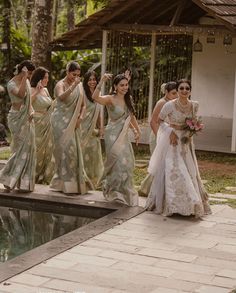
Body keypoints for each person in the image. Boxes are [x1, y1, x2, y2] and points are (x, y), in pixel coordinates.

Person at [146, 79, 211, 217]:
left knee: (189, 171)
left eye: (187, 88)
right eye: (181, 88)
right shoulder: (169, 105)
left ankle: (192, 204)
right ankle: (175, 205)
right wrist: (170, 133)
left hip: (186, 141)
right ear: (178, 89)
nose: (184, 91)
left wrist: (194, 128)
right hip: (173, 141)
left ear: (190, 91)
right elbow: (159, 121)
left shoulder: (194, 105)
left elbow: (194, 121)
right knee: (176, 170)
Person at [92, 73, 141, 206]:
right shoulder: (110, 99)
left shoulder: (128, 98)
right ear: (115, 86)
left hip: (123, 135)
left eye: (126, 85)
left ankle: (124, 191)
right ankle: (114, 191)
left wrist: (136, 130)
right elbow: (95, 97)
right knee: (117, 164)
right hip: (112, 135)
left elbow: (131, 117)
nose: (125, 87)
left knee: (127, 163)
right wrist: (101, 81)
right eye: (121, 85)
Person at [50, 61, 93, 194]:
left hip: (74, 122)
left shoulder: (79, 85)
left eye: (78, 75)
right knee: (65, 151)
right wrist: (73, 86)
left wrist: (80, 117)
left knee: (73, 152)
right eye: (73, 74)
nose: (76, 77)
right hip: (60, 123)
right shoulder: (60, 84)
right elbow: (61, 97)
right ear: (68, 72)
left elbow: (84, 105)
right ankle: (64, 184)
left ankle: (71, 184)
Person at [0, 60, 36, 192]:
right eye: (29, 73)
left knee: (29, 148)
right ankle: (6, 177)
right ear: (23, 71)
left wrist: (31, 111)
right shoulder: (11, 84)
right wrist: (25, 77)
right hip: (16, 118)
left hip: (27, 117)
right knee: (20, 149)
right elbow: (21, 95)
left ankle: (24, 183)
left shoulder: (26, 80)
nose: (30, 76)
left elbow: (28, 100)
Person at [139, 82, 177, 196]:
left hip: (168, 136)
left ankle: (162, 190)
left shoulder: (173, 103)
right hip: (158, 136)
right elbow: (153, 122)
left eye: (177, 93)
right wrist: (159, 137)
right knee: (158, 163)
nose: (176, 96)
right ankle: (147, 189)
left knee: (167, 164)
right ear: (166, 92)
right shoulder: (161, 103)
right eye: (173, 93)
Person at [30, 67, 55, 184]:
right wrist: (36, 91)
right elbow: (27, 104)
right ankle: (33, 174)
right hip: (36, 123)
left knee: (48, 150)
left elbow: (51, 105)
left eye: (47, 78)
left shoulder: (46, 90)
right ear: (39, 78)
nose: (47, 80)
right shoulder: (30, 89)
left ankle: (43, 176)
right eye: (45, 78)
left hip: (47, 123)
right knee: (36, 149)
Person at [80, 71, 104, 188]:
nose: (92, 82)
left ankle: (93, 179)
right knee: (83, 153)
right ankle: (82, 178)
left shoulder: (98, 94)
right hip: (82, 128)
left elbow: (98, 112)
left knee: (94, 154)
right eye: (90, 79)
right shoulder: (82, 93)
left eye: (94, 79)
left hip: (93, 129)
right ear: (86, 81)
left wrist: (101, 127)